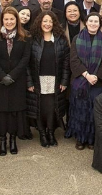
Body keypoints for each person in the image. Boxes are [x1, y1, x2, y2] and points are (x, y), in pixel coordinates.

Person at [67, 13, 102, 150]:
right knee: (80, 110)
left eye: (96, 21)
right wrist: (87, 75)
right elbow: (74, 60)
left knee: (95, 111)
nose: (93, 23)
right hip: (80, 80)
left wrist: (96, 77)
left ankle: (92, 139)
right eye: (91, 21)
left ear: (100, 24)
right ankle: (80, 139)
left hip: (98, 82)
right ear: (86, 23)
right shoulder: (77, 38)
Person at [0, 7, 31, 156]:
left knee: (14, 111)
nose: (9, 22)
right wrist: (2, 76)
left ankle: (12, 139)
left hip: (16, 80)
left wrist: (12, 75)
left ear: (17, 20)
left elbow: (25, 58)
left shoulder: (25, 36)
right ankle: (2, 140)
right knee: (1, 112)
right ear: (2, 21)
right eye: (6, 19)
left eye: (12, 19)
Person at [27, 11, 71, 148]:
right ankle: (42, 134)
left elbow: (66, 63)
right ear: (39, 23)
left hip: (55, 80)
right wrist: (29, 82)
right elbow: (26, 64)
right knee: (39, 108)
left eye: (50, 21)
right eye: (44, 21)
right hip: (37, 80)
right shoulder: (32, 39)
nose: (47, 24)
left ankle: (51, 133)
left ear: (54, 24)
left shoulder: (61, 40)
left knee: (51, 108)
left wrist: (64, 81)